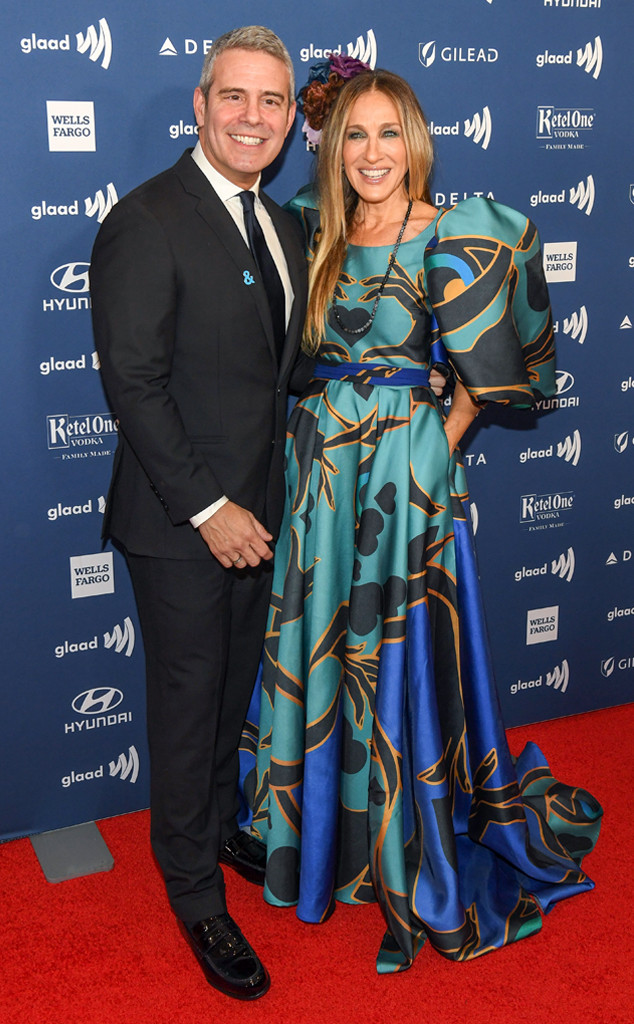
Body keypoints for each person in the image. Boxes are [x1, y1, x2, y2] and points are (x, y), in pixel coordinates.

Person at [247, 66, 602, 974]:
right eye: (355, 136)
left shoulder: (456, 233)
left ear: (415, 141)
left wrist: (436, 442)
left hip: (406, 473)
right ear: (332, 148)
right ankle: (321, 836)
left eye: (388, 135)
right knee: (326, 648)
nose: (373, 154)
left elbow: (491, 374)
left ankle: (408, 842)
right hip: (324, 474)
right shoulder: (312, 233)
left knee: (397, 655)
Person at [90, 26, 309, 1000]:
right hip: (183, 522)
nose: (253, 117)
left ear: (292, 116)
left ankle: (219, 828)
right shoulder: (149, 218)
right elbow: (134, 385)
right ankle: (193, 897)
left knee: (228, 700)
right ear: (199, 104)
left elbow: (278, 374)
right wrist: (210, 507)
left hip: (261, 511)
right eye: (235, 97)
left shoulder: (286, 223)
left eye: (272, 102)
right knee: (187, 709)